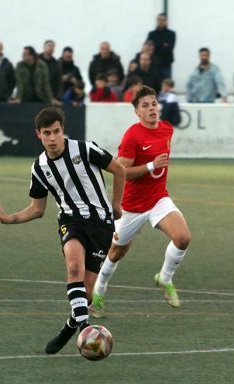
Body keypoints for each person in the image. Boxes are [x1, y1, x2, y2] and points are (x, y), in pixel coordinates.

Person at [0, 107, 125, 354]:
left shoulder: (84, 149)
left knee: (88, 292)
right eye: (47, 133)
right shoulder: (39, 167)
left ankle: (70, 325)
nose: (52, 138)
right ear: (38, 134)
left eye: (56, 132)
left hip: (102, 223)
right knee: (74, 267)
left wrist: (116, 204)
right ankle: (86, 329)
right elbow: (37, 208)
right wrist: (7, 218)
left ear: (63, 130)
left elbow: (119, 169)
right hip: (71, 221)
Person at [89, 85, 191, 318]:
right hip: (132, 207)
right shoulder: (132, 136)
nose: (152, 108)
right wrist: (150, 166)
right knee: (116, 252)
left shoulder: (166, 129)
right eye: (145, 105)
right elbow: (120, 170)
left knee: (183, 237)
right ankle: (99, 294)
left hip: (158, 199)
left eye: (154, 103)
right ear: (137, 111)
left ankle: (164, 279)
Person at [146, 13, 176, 81]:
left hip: (166, 64)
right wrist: (163, 45)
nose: (161, 21)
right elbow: (148, 47)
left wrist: (155, 46)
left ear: (166, 21)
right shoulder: (152, 34)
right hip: (154, 64)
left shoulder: (171, 34)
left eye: (163, 20)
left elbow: (169, 49)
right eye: (159, 19)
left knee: (167, 85)